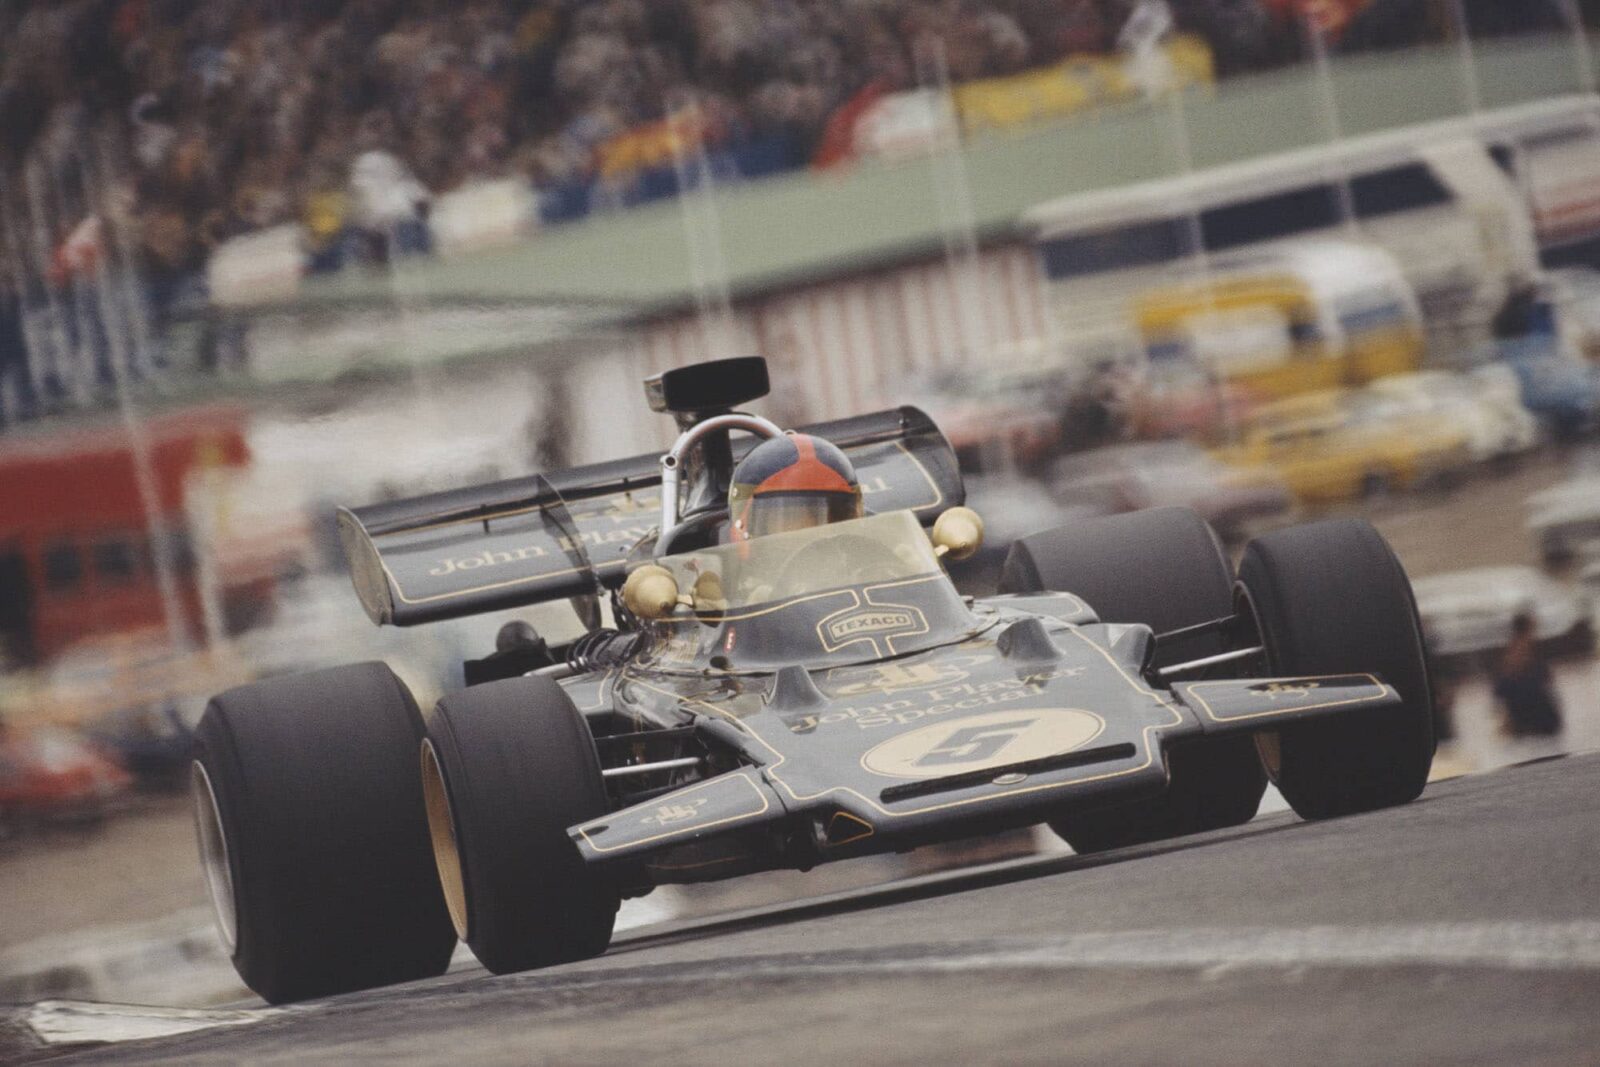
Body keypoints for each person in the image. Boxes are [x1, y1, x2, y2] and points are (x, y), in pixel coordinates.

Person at [727, 433, 863, 540]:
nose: (809, 527)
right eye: (789, 518)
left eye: (832, 518)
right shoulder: (719, 573)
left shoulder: (874, 567)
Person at [1492, 612, 1564, 737]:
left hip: (1530, 705)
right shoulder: (1520, 648)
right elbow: (1508, 682)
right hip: (1531, 706)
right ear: (1528, 627)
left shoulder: (1518, 647)